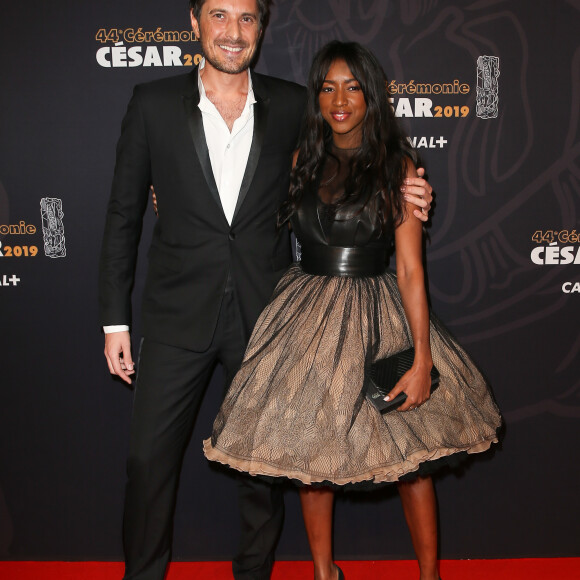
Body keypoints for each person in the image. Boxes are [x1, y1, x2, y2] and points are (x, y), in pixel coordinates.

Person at [99, 2, 434, 579]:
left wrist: (408, 181)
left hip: (268, 315)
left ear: (262, 27)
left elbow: (350, 150)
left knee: (263, 465)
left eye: (247, 18)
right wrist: (115, 322)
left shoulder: (290, 106)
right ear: (195, 21)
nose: (233, 32)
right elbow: (123, 216)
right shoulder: (152, 104)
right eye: (220, 15)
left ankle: (255, 573)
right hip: (176, 314)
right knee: (148, 462)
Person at [204, 40, 502, 580]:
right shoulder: (301, 159)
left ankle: (430, 575)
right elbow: (237, 206)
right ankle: (324, 573)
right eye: (327, 87)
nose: (339, 100)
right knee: (314, 457)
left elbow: (411, 270)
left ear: (371, 95)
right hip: (308, 318)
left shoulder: (399, 166)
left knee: (413, 459)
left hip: (377, 314)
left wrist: (420, 359)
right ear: (317, 96)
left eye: (353, 87)